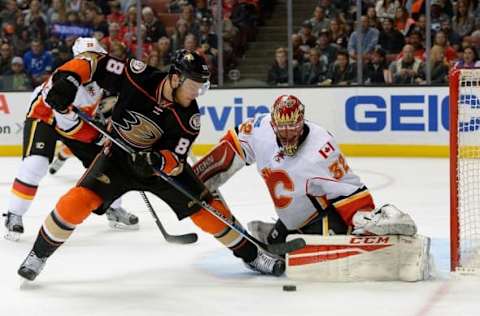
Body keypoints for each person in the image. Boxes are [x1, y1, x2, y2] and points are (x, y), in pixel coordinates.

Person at [17, 48, 285, 281]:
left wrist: (156, 160)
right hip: (117, 159)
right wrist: (68, 79)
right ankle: (37, 256)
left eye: (202, 86)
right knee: (75, 202)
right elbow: (94, 62)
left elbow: (176, 161)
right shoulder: (139, 76)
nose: (197, 93)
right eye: (194, 85)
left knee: (207, 209)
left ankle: (251, 256)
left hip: (157, 171)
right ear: (176, 77)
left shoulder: (189, 118)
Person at [192, 95, 418, 248]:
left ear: (302, 121)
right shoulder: (259, 130)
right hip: (289, 222)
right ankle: (282, 231)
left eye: (294, 126)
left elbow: (348, 190)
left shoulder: (321, 147)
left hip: (321, 220)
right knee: (272, 251)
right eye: (283, 127)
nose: (289, 133)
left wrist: (363, 219)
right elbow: (228, 151)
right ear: (273, 123)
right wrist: (194, 177)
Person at [3, 38, 139, 242]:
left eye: (97, 57)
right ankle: (14, 213)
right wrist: (98, 136)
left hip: (74, 121)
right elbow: (69, 125)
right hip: (45, 117)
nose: (92, 61)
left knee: (108, 163)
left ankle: (113, 207)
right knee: (36, 163)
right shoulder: (68, 79)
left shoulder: (101, 79)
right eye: (87, 58)